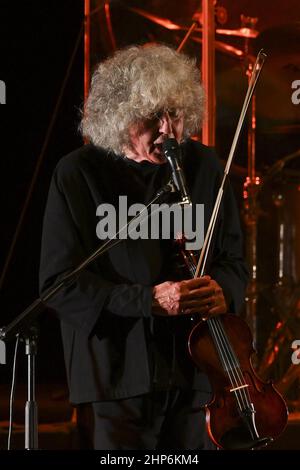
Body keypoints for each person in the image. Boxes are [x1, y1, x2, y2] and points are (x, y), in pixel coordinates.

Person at [39, 44, 248, 450]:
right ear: (120, 116)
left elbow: (234, 261)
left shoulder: (204, 166)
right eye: (154, 115)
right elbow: (58, 284)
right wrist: (147, 300)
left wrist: (223, 289)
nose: (169, 128)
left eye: (176, 113)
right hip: (116, 378)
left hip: (197, 376)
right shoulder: (79, 174)